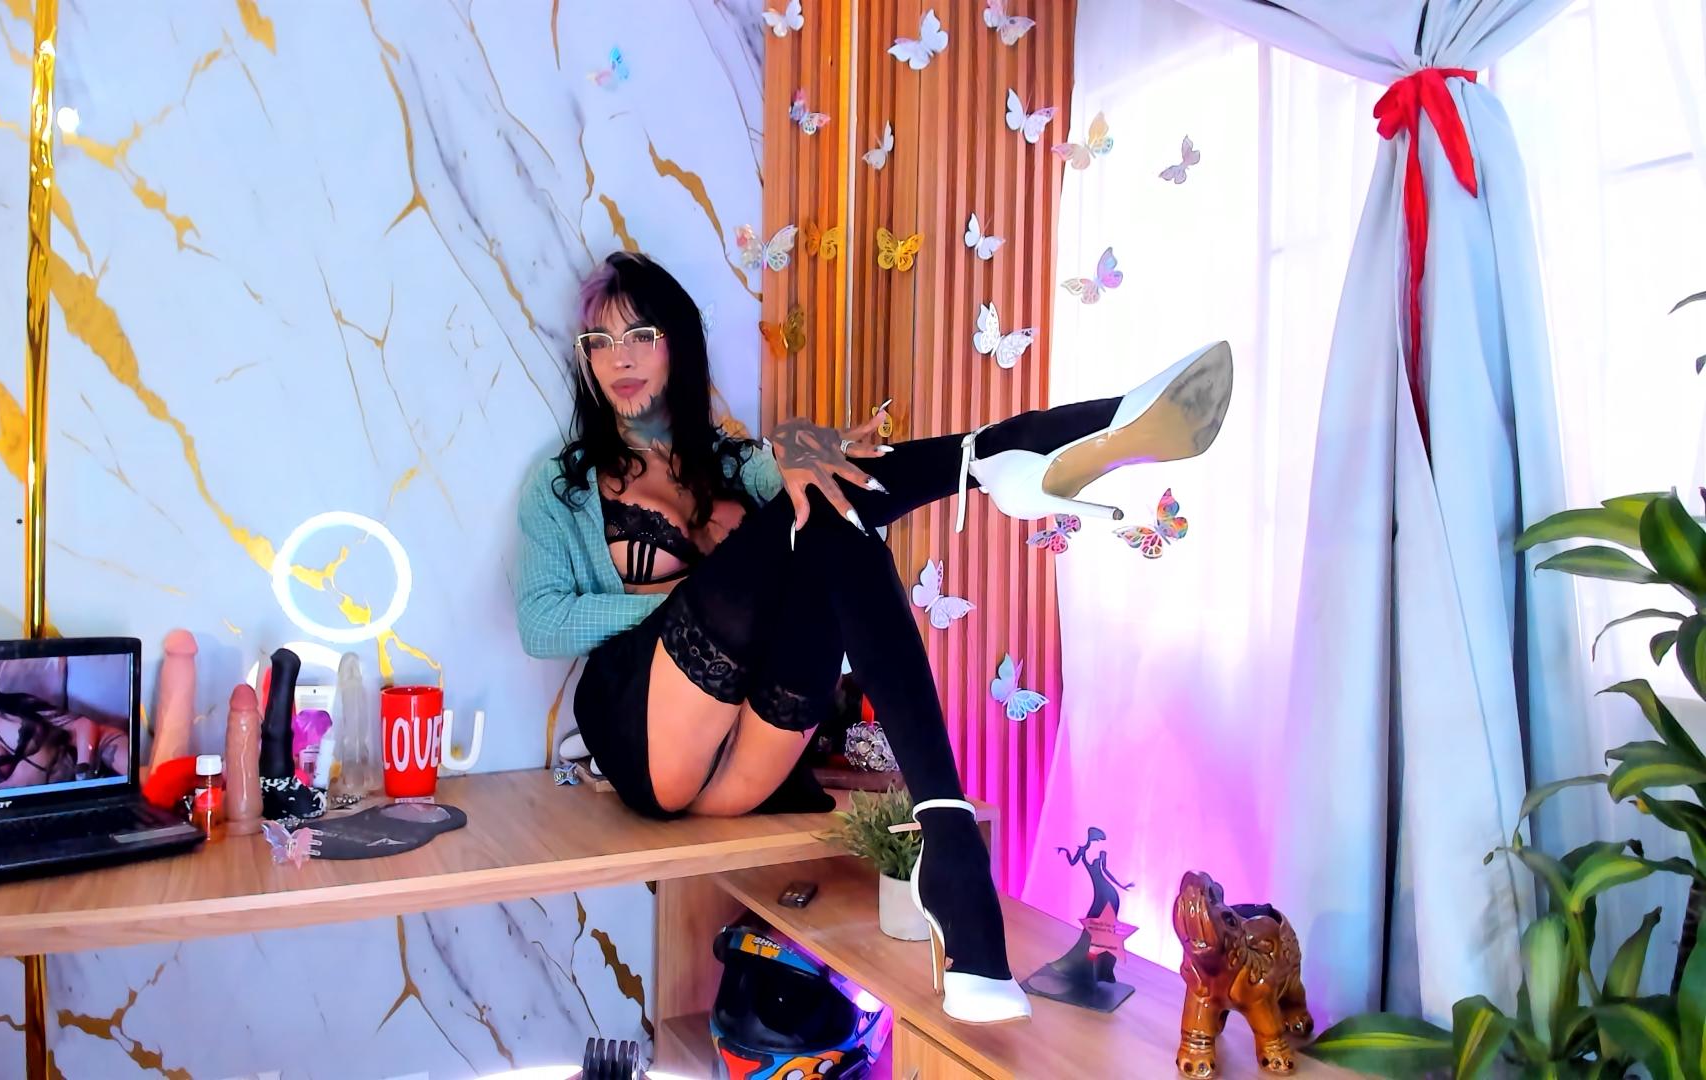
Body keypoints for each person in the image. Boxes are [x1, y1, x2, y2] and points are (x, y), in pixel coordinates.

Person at [514, 252, 1232, 1023]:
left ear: (677, 345)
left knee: (827, 503)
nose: (618, 359)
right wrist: (678, 599)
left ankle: (1022, 455)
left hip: (746, 767)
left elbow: (811, 492)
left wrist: (797, 449)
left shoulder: (732, 463)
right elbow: (541, 621)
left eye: (640, 335)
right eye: (599, 342)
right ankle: (1008, 453)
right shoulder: (563, 485)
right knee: (816, 503)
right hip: (646, 736)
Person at [0, 661, 130, 794]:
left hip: (94, 754)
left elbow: (83, 725)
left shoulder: (15, 703)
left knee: (140, 790)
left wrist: (84, 774)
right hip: (55, 807)